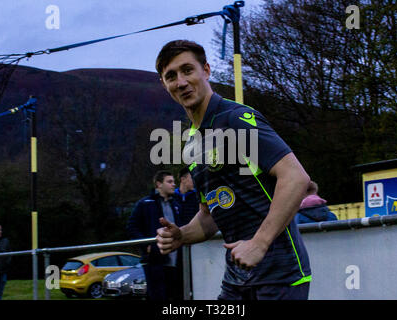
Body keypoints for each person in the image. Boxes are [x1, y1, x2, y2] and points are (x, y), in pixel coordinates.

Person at [155, 40, 312, 300]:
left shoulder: (234, 118)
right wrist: (181, 235)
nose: (181, 82)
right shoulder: (192, 145)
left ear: (206, 70)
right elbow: (209, 216)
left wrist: (259, 243)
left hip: (279, 276)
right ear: (164, 85)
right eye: (171, 76)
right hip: (236, 281)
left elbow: (296, 177)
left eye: (187, 70)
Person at [126, 170, 184, 301]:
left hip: (176, 260)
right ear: (159, 184)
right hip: (155, 260)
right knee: (157, 295)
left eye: (174, 181)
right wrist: (147, 245)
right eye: (169, 181)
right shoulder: (145, 204)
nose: (174, 184)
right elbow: (132, 227)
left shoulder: (176, 204)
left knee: (175, 296)